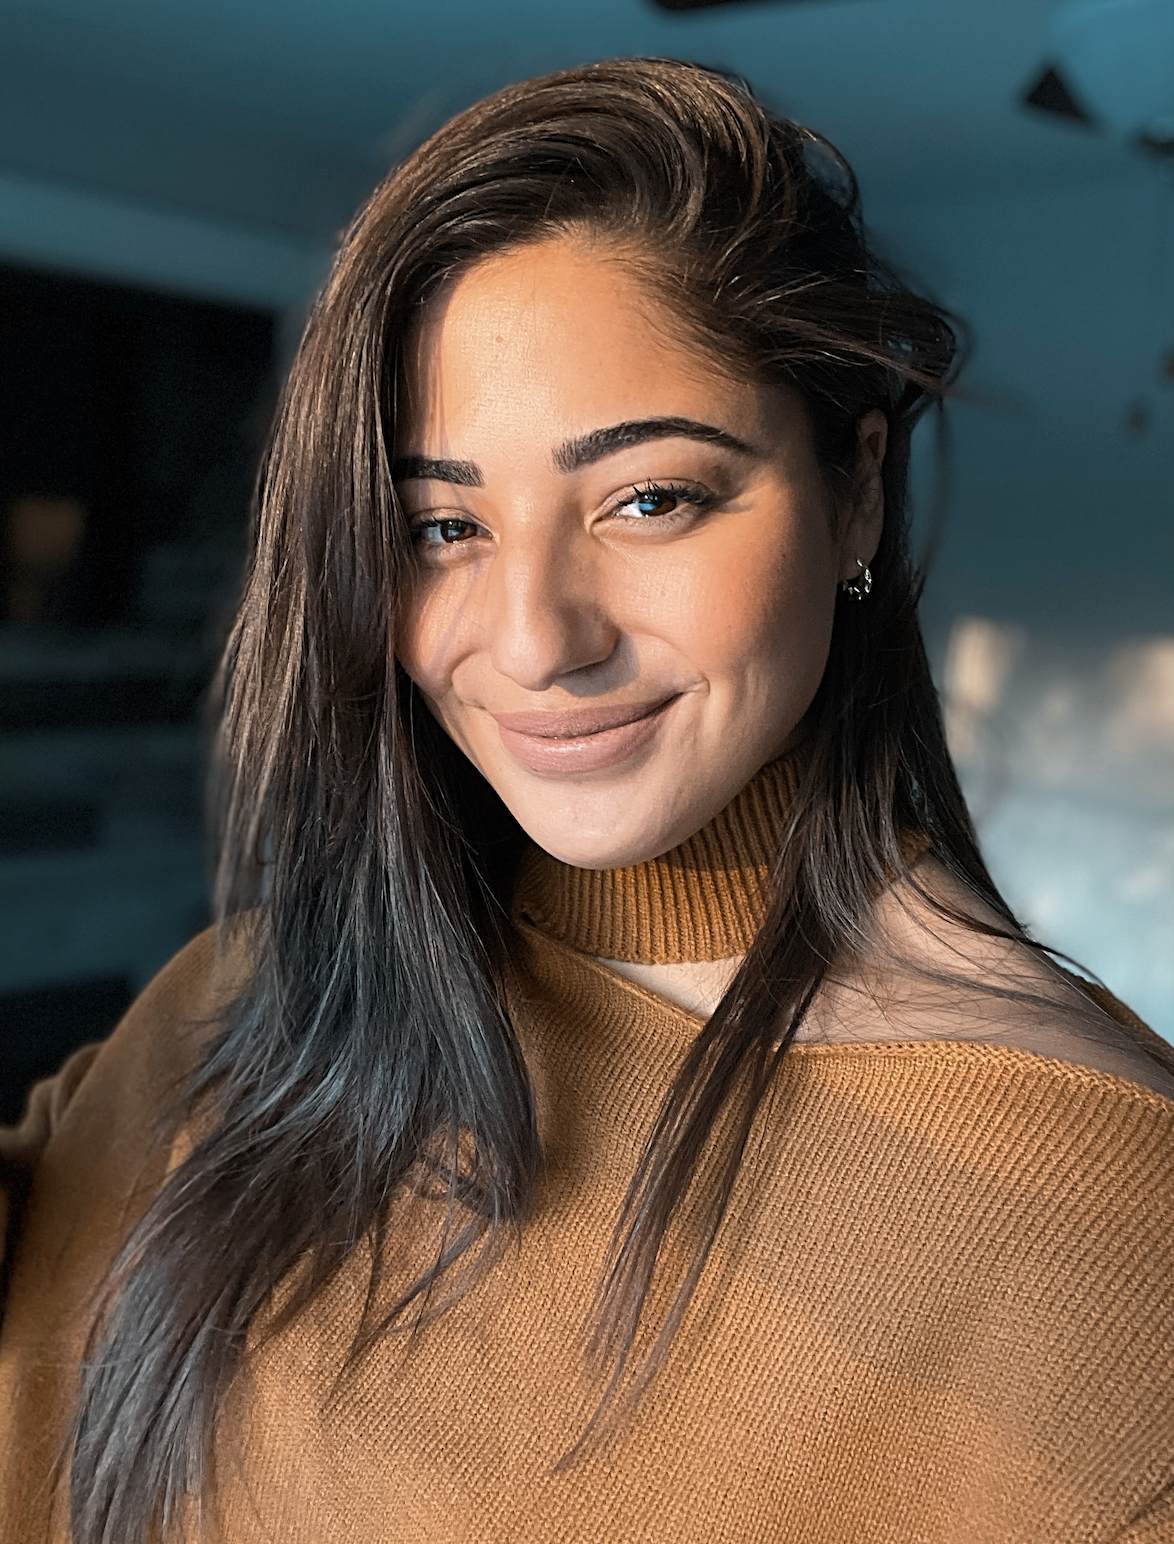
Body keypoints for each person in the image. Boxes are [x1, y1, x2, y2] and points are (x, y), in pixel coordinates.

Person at [1, 58, 1171, 1544]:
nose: (540, 639)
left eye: (648, 498)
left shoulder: (1110, 1244)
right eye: (442, 524)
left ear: (855, 491)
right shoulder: (238, 1006)